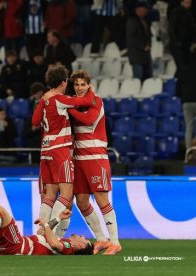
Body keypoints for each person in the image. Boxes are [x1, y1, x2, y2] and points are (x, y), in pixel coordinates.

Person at [32, 64, 94, 238]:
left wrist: (44, 100)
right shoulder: (60, 98)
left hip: (45, 151)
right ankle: (49, 229)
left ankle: (40, 234)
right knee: (66, 194)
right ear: (63, 82)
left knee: (50, 195)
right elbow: (85, 101)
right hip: (60, 150)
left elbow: (35, 121)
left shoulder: (45, 99)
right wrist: (91, 90)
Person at [68, 69, 122, 255]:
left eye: (83, 84)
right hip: (79, 159)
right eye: (76, 84)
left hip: (96, 158)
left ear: (89, 85)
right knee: (81, 201)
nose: (79, 87)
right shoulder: (74, 103)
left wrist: (69, 108)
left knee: (101, 200)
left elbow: (88, 119)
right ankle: (101, 238)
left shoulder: (96, 101)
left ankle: (115, 242)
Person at [0, 205, 93, 258]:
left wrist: (46, 224)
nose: (82, 235)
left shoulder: (68, 247)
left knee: (0, 210)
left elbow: (54, 244)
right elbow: (43, 233)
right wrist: (58, 218)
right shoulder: (63, 242)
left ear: (80, 246)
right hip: (10, 245)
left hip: (19, 245)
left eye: (84, 239)